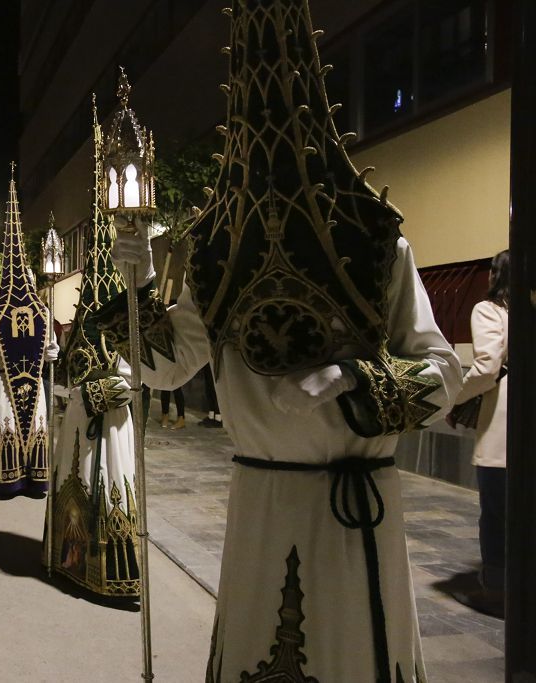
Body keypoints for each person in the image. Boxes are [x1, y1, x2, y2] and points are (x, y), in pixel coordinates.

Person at [98, 11, 461, 680]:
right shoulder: (219, 259)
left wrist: (352, 378)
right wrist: (138, 286)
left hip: (352, 515)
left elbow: (442, 375)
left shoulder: (376, 248)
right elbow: (172, 365)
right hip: (261, 502)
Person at [47, 100, 139, 596]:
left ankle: (113, 572)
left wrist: (106, 389)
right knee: (76, 476)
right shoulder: (84, 318)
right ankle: (72, 560)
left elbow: (143, 371)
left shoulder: (127, 319)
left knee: (107, 480)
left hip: (110, 421)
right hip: (80, 419)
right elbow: (65, 366)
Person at [0, 169, 59, 495]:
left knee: (5, 424)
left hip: (2, 382)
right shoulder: (42, 309)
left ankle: (7, 481)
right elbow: (53, 351)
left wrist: (1, 356)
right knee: (35, 423)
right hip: (35, 385)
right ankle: (36, 482)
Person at [448, 249, 509, 618]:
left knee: (497, 511)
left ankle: (498, 591)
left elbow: (487, 366)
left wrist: (454, 399)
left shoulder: (491, 309)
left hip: (506, 423)